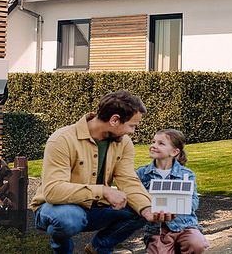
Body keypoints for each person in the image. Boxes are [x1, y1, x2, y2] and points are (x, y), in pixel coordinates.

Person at [30, 90, 174, 254]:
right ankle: (61, 249)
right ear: (114, 120)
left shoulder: (123, 143)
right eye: (132, 125)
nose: (132, 131)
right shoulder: (62, 140)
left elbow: (128, 180)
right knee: (68, 218)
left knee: (141, 205)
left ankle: (99, 248)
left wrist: (147, 208)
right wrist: (103, 191)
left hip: (94, 208)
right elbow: (53, 191)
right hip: (55, 208)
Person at [137, 129, 209, 254]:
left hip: (185, 225)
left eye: (161, 143)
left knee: (197, 244)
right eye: (153, 142)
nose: (153, 145)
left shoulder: (187, 174)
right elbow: (135, 197)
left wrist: (176, 206)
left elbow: (194, 202)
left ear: (174, 152)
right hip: (157, 229)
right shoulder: (142, 174)